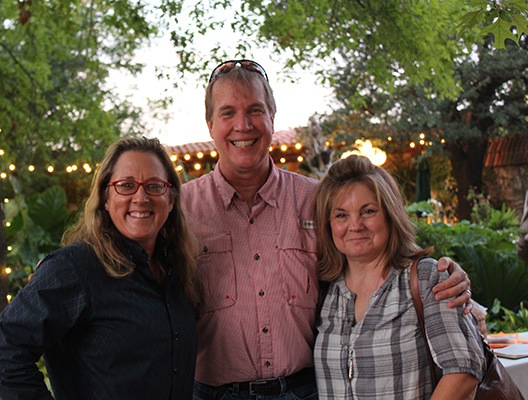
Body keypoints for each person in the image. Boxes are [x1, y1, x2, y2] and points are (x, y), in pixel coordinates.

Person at [181, 59, 473, 399]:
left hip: (303, 391)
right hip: (212, 393)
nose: (242, 125)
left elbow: (372, 256)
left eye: (255, 110)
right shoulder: (180, 210)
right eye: (228, 112)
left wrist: (445, 277)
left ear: (272, 119)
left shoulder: (317, 199)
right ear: (210, 124)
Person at [0, 136, 199, 400]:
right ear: (106, 197)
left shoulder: (176, 271)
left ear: (171, 199)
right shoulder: (74, 268)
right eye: (126, 185)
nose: (141, 197)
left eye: (154, 186)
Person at [313, 155, 486, 399]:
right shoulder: (324, 290)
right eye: (341, 215)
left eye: (368, 211)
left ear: (390, 215)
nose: (355, 225)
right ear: (328, 224)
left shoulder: (425, 278)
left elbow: (463, 372)